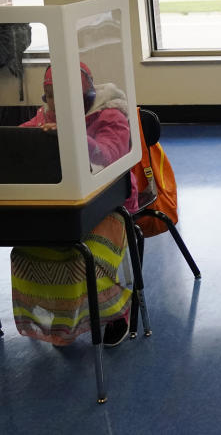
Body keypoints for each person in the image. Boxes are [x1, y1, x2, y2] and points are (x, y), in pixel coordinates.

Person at [11, 62, 137, 347]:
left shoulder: (110, 115)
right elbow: (20, 141)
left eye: (65, 94)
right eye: (51, 95)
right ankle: (62, 317)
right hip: (63, 206)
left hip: (109, 203)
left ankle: (115, 314)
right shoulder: (47, 116)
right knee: (27, 251)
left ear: (87, 93)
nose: (57, 103)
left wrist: (75, 139)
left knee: (85, 255)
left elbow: (110, 156)